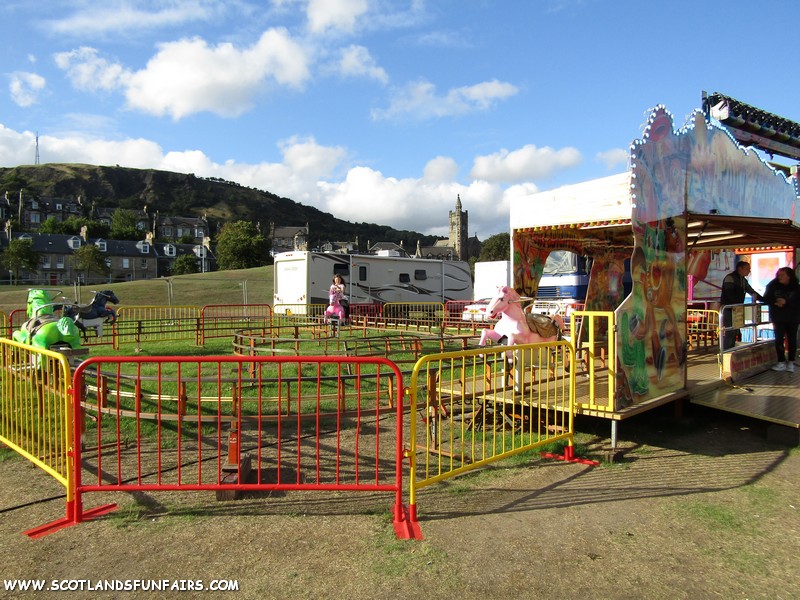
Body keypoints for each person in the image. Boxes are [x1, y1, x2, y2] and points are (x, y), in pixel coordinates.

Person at [719, 261, 763, 350]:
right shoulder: (730, 278)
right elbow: (729, 294)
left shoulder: (743, 280)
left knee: (735, 331)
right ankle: (726, 351)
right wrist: (737, 304)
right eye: (747, 269)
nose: (749, 271)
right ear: (740, 269)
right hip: (728, 309)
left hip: (737, 308)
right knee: (729, 331)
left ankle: (732, 349)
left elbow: (751, 291)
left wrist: (765, 299)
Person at [763, 267, 800, 372]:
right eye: (778, 275)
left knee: (792, 339)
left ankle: (791, 361)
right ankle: (781, 361)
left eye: (782, 275)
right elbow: (766, 298)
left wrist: (786, 302)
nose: (779, 277)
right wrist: (775, 302)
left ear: (789, 276)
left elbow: (797, 302)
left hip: (793, 318)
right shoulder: (773, 285)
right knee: (779, 339)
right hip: (778, 317)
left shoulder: (796, 288)